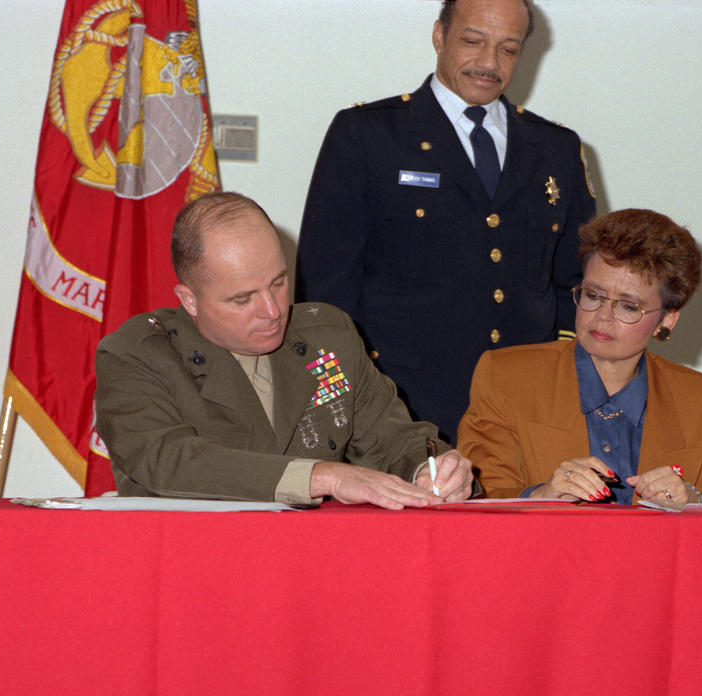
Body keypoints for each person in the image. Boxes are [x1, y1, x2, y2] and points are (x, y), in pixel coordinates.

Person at [295, 0, 597, 445]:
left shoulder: (556, 148)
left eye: (508, 49)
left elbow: (576, 286)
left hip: (524, 412)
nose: (489, 63)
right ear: (439, 36)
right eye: (472, 41)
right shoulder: (368, 135)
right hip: (400, 409)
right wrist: (341, 404)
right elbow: (325, 289)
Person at [95, 192, 474, 509]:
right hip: (194, 564)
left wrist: (430, 469)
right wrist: (321, 476)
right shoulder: (136, 356)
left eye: (278, 283)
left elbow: (393, 439)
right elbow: (168, 461)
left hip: (312, 563)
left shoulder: (329, 337)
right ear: (190, 300)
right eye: (243, 299)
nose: (273, 311)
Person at [457, 209, 702, 505]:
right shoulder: (506, 378)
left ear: (667, 319)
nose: (602, 317)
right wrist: (542, 495)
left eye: (628, 307)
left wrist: (692, 501)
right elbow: (480, 502)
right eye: (593, 295)